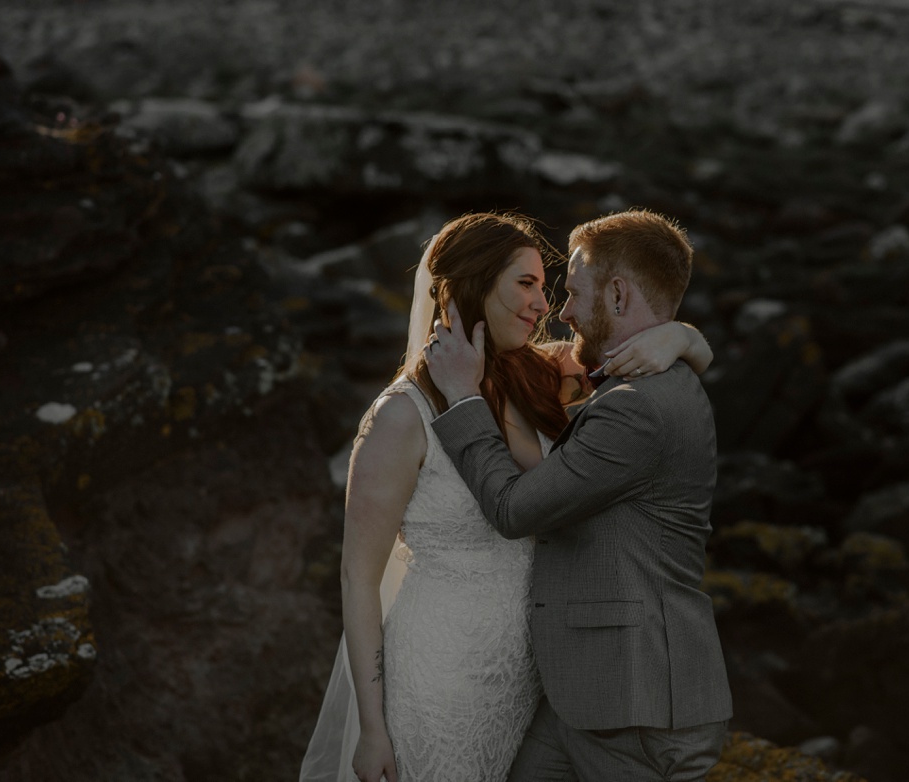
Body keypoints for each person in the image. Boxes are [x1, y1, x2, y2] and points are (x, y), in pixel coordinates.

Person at [298, 212, 714, 782]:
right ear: (472, 284)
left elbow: (626, 352)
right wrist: (372, 728)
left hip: (527, 687)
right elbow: (357, 578)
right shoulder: (401, 415)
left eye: (549, 288)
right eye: (527, 284)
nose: (546, 307)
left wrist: (684, 336)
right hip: (439, 677)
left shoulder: (536, 374)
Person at [425, 209, 733, 781]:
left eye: (572, 292)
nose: (561, 313)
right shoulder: (635, 380)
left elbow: (515, 509)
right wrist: (685, 335)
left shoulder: (635, 408)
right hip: (591, 693)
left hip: (638, 703)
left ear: (618, 295)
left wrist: (461, 397)